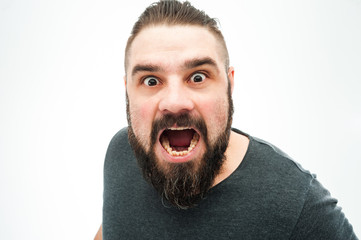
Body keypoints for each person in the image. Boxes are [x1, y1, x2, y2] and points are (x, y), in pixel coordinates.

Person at [95, 1, 358, 239]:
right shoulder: (121, 152)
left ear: (229, 85)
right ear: (128, 90)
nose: (175, 103)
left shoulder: (297, 202)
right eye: (151, 80)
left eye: (198, 77)